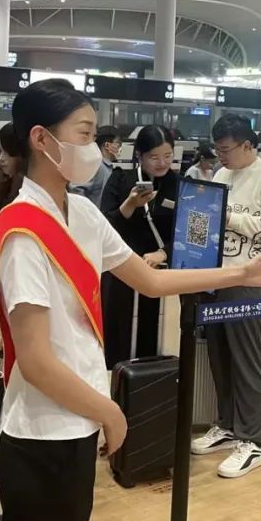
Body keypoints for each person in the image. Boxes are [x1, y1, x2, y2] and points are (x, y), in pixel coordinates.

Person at [0, 80, 261, 521]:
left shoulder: (81, 212)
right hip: (40, 430)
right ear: (41, 138)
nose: (93, 148)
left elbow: (151, 281)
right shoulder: (22, 230)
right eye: (84, 134)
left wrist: (241, 274)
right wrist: (111, 412)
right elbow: (34, 361)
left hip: (79, 419)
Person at [191, 115, 261, 478]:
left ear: (247, 145)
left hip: (250, 279)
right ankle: (228, 424)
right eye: (217, 149)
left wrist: (230, 218)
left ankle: (252, 440)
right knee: (220, 354)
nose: (220, 156)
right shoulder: (222, 174)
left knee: (247, 357)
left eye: (226, 149)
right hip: (218, 274)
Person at [99, 125, 179, 368]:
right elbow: (105, 226)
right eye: (154, 157)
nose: (162, 163)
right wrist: (130, 204)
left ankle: (152, 378)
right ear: (139, 155)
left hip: (161, 270)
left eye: (168, 156)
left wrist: (164, 252)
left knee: (157, 332)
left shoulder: (179, 185)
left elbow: (186, 231)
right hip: (122, 269)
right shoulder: (121, 178)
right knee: (118, 329)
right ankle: (116, 378)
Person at [70, 125, 121, 206]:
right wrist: (87, 211)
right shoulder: (94, 165)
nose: (120, 148)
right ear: (107, 145)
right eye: (118, 143)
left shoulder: (106, 167)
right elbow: (77, 191)